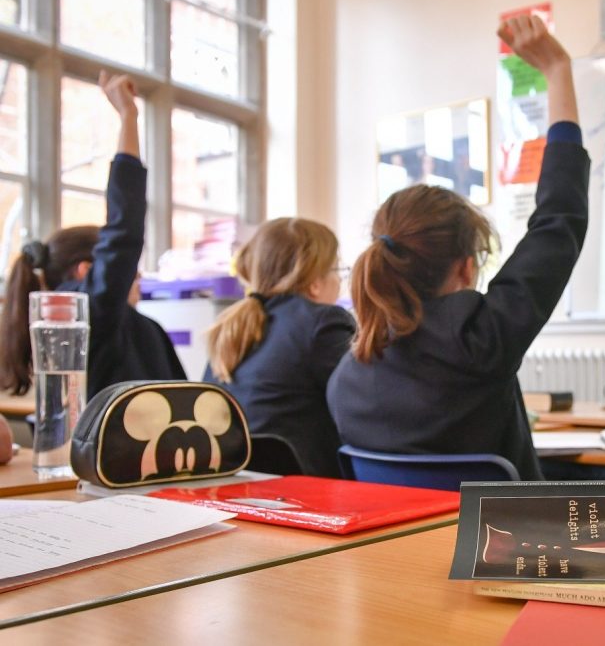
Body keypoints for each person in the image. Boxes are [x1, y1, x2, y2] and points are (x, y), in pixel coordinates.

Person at [327, 15, 589, 480]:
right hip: (506, 552)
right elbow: (559, 220)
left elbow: (557, 222)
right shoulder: (482, 340)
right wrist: (557, 71)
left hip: (394, 555)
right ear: (466, 269)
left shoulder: (346, 377)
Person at [0, 72, 186, 400]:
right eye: (130, 269)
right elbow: (123, 229)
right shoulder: (84, 316)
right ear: (86, 271)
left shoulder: (140, 328)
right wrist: (129, 117)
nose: (136, 275)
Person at [204, 218, 356, 478]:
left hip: (238, 483)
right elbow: (358, 408)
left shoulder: (231, 328)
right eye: (337, 271)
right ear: (315, 283)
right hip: (307, 489)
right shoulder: (323, 322)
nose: (339, 281)